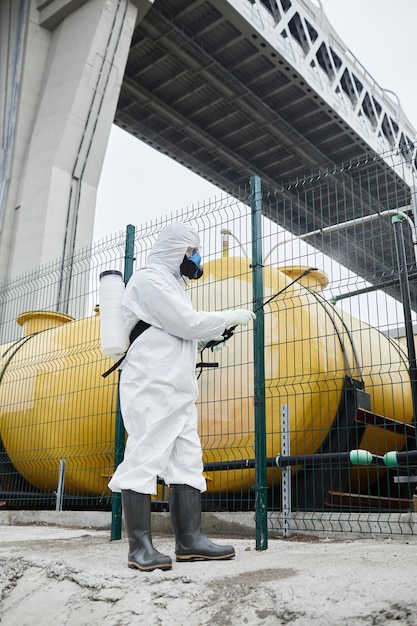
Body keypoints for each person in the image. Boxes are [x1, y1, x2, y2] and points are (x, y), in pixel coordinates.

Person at [108, 222, 255, 572]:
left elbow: (177, 330)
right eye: (191, 250)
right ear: (176, 249)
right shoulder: (149, 279)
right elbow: (184, 322)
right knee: (144, 456)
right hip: (152, 385)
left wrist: (203, 339)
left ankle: (190, 542)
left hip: (178, 387)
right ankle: (140, 548)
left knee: (187, 460)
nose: (195, 257)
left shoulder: (172, 284)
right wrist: (224, 318)